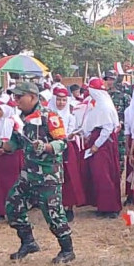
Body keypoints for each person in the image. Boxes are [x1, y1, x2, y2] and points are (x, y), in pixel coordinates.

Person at [0, 82, 75, 264]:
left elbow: (62, 143)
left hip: (48, 176)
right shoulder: (21, 120)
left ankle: (67, 250)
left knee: (54, 215)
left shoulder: (50, 117)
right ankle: (28, 242)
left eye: (19, 96)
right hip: (28, 174)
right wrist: (0, 145)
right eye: (14, 97)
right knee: (12, 206)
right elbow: (15, 144)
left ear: (33, 97)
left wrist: (45, 146)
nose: (16, 100)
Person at [82, 78, 122, 218]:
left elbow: (107, 127)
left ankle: (110, 207)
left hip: (103, 144)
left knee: (104, 175)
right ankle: (102, 205)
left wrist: (96, 146)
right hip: (99, 140)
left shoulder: (104, 106)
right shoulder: (98, 104)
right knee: (99, 175)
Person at [50, 86, 85, 223]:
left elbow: (70, 132)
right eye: (58, 100)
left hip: (66, 148)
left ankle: (69, 207)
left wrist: (65, 137)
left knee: (69, 177)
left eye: (64, 100)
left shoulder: (71, 117)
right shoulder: (49, 116)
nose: (61, 103)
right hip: (51, 149)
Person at [0, 95, 23, 223]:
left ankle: (13, 212)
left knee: (10, 185)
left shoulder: (14, 121)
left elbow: (17, 141)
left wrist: (4, 147)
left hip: (11, 157)